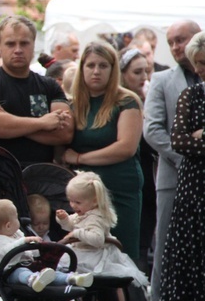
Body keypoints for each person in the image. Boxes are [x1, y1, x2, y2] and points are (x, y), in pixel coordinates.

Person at [143, 20, 203, 301]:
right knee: (165, 255)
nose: (177, 46)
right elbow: (153, 130)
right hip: (174, 180)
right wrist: (187, 158)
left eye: (182, 39)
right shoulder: (164, 82)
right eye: (171, 42)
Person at [62, 41, 143, 259]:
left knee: (121, 255)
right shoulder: (71, 104)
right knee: (85, 256)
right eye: (90, 65)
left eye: (103, 65)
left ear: (113, 69)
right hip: (83, 196)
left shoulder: (126, 100)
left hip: (120, 187)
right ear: (82, 68)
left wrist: (79, 157)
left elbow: (125, 147)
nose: (96, 71)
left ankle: (130, 295)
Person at [158, 30, 205, 301]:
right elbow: (179, 142)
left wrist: (200, 136)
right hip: (192, 194)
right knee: (185, 280)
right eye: (199, 64)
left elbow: (191, 141)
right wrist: (195, 139)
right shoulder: (191, 94)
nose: (203, 70)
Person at [0, 15, 73, 167]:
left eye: (24, 43)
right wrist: (43, 123)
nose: (18, 50)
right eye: (10, 44)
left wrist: (10, 122)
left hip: (42, 176)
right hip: (0, 176)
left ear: (34, 44)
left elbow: (65, 134)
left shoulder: (50, 86)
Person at [56, 172, 148, 287]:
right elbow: (70, 225)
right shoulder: (84, 212)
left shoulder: (95, 218)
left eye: (77, 202)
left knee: (99, 284)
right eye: (71, 201)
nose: (73, 205)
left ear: (94, 201)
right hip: (84, 252)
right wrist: (64, 219)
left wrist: (77, 233)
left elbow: (97, 239)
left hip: (94, 256)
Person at [0, 199, 93, 291]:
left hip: (29, 265)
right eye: (16, 217)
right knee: (22, 273)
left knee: (50, 273)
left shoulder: (16, 233)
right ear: (8, 225)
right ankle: (33, 279)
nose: (18, 220)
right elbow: (5, 252)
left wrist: (37, 248)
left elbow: (28, 251)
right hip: (10, 272)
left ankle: (72, 279)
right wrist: (23, 241)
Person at [119, 47, 157, 272]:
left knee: (143, 243)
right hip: (130, 181)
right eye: (137, 72)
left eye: (147, 71)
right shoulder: (123, 103)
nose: (144, 78)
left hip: (150, 183)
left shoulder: (152, 99)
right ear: (123, 74)